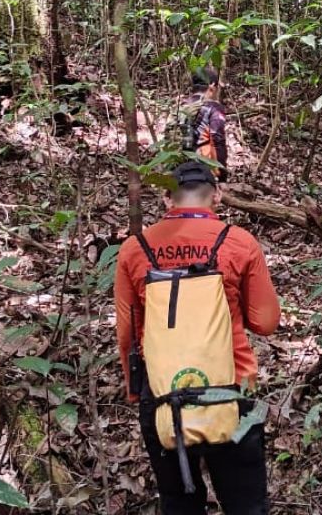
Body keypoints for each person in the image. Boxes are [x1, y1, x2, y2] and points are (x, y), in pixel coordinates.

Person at [115, 161, 280, 514]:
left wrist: (135, 389)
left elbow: (127, 334)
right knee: (246, 504)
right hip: (233, 388)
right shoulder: (238, 242)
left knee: (179, 503)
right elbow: (265, 323)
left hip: (162, 396)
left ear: (166, 198)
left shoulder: (134, 248)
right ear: (217, 195)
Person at [182, 66, 229, 181]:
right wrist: (222, 176)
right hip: (202, 169)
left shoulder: (181, 106)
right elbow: (218, 141)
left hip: (179, 168)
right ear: (212, 86)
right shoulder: (213, 108)